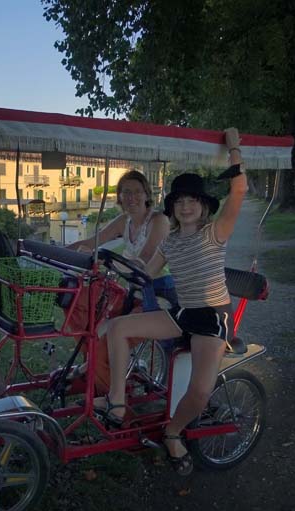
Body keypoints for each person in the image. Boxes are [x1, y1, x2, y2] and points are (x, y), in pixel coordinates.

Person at [96, 128, 248, 476]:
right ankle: (117, 403)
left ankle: (173, 431)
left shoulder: (216, 231)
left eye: (192, 199)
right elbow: (144, 274)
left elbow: (238, 189)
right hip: (183, 313)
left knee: (200, 390)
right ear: (173, 208)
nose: (185, 205)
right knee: (117, 328)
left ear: (205, 205)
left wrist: (234, 148)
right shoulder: (171, 241)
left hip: (211, 318)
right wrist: (115, 270)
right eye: (179, 201)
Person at [61, 170, 177, 390]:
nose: (131, 197)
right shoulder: (124, 220)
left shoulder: (159, 220)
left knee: (108, 333)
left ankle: (108, 392)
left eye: (137, 192)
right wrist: (57, 252)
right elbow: (94, 241)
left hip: (158, 293)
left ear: (146, 194)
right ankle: (91, 362)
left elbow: (146, 259)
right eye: (126, 192)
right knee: (78, 302)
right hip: (133, 290)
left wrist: (110, 263)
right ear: (120, 197)